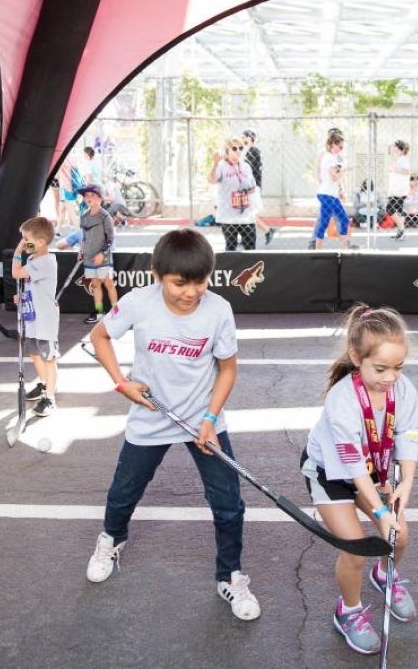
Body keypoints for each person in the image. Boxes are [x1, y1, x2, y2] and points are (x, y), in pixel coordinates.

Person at [84, 229, 262, 621]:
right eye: (180, 283)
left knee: (229, 504)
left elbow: (228, 369)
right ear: (156, 274)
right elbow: (99, 337)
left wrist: (211, 417)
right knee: (123, 493)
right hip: (150, 416)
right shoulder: (137, 303)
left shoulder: (218, 311)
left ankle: (229, 576)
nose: (191, 292)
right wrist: (122, 383)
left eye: (200, 282)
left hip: (203, 420)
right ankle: (111, 540)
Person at [301, 305, 418, 655]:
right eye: (380, 368)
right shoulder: (342, 401)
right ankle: (348, 611)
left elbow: (409, 433)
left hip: (371, 470)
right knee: (354, 548)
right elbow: (352, 465)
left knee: (400, 537)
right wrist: (380, 513)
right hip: (332, 474)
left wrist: (406, 484)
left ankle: (384, 574)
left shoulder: (403, 389)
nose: (390, 377)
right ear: (357, 357)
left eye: (398, 367)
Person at [12, 217, 61, 418]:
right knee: (34, 353)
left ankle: (50, 397)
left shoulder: (45, 262)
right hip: (33, 316)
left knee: (48, 358)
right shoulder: (33, 260)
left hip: (45, 320)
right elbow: (33, 285)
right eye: (22, 239)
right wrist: (23, 296)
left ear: (41, 242)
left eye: (26, 239)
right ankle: (43, 385)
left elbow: (16, 273)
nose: (24, 243)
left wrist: (17, 251)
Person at [75, 184, 120, 324]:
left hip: (103, 258)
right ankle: (99, 312)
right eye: (86, 195)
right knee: (95, 284)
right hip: (89, 258)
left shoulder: (105, 216)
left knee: (108, 283)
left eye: (92, 195)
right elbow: (84, 237)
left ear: (100, 199)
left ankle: (116, 313)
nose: (89, 198)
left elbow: (110, 239)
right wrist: (81, 251)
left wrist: (102, 254)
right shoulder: (83, 216)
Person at [207, 137, 259, 252]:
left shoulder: (246, 166)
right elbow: (211, 179)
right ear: (227, 151)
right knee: (231, 247)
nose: (238, 151)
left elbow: (253, 186)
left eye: (240, 148)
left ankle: (250, 269)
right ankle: (233, 270)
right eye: (234, 149)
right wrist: (215, 164)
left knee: (251, 247)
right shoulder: (221, 166)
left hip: (246, 214)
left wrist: (248, 189)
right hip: (228, 216)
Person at [313, 128, 352, 251]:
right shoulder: (329, 157)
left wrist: (340, 189)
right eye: (340, 147)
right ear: (333, 145)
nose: (341, 150)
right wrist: (345, 169)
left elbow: (336, 178)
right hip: (326, 194)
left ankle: (343, 249)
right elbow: (334, 177)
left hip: (331, 194)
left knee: (342, 220)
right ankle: (318, 250)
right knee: (330, 221)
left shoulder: (335, 157)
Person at [242, 129, 278, 246]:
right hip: (252, 186)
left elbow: (247, 169)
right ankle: (247, 236)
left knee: (249, 213)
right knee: (246, 212)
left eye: (244, 137)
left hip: (253, 186)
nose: (242, 140)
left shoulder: (253, 152)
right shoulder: (251, 151)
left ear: (250, 138)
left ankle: (267, 230)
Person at [386, 140, 412, 241]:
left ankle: (401, 229)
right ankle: (400, 231)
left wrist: (394, 169)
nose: (392, 148)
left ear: (398, 149)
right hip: (395, 189)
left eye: (394, 146)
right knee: (399, 211)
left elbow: (407, 171)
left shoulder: (403, 159)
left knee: (389, 209)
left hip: (399, 190)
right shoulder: (398, 159)